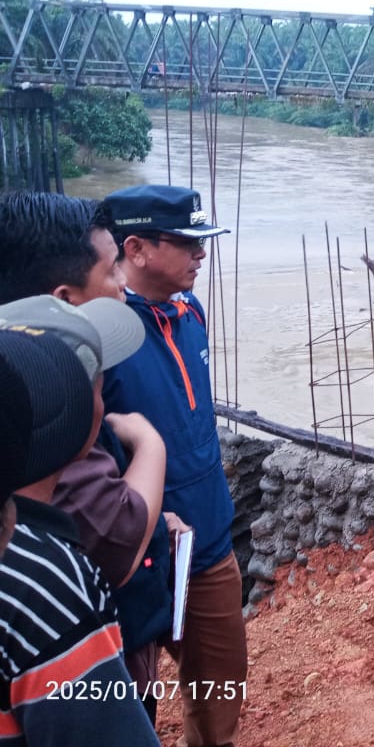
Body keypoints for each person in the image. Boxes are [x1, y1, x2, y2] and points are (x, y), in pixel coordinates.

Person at [0, 190, 175, 722]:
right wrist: (149, 442)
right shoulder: (52, 590)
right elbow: (118, 535)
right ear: (64, 299)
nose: (124, 288)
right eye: (111, 272)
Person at [102, 183, 248, 747]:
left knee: (220, 683)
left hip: (206, 543)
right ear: (136, 249)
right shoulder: (100, 335)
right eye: (188, 243)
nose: (201, 254)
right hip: (131, 553)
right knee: (126, 696)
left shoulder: (190, 313)